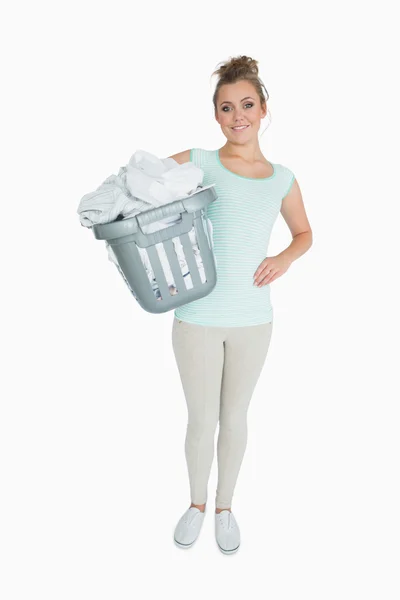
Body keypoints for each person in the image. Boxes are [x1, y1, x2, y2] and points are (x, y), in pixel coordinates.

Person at [168, 55, 313, 554]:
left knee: (236, 418)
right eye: (227, 107)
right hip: (198, 317)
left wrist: (284, 258)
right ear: (216, 115)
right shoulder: (199, 161)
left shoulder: (282, 177)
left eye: (247, 104)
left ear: (263, 108)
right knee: (200, 419)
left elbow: (305, 233)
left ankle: (226, 506)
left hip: (254, 319)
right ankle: (195, 504)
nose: (238, 116)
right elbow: (141, 184)